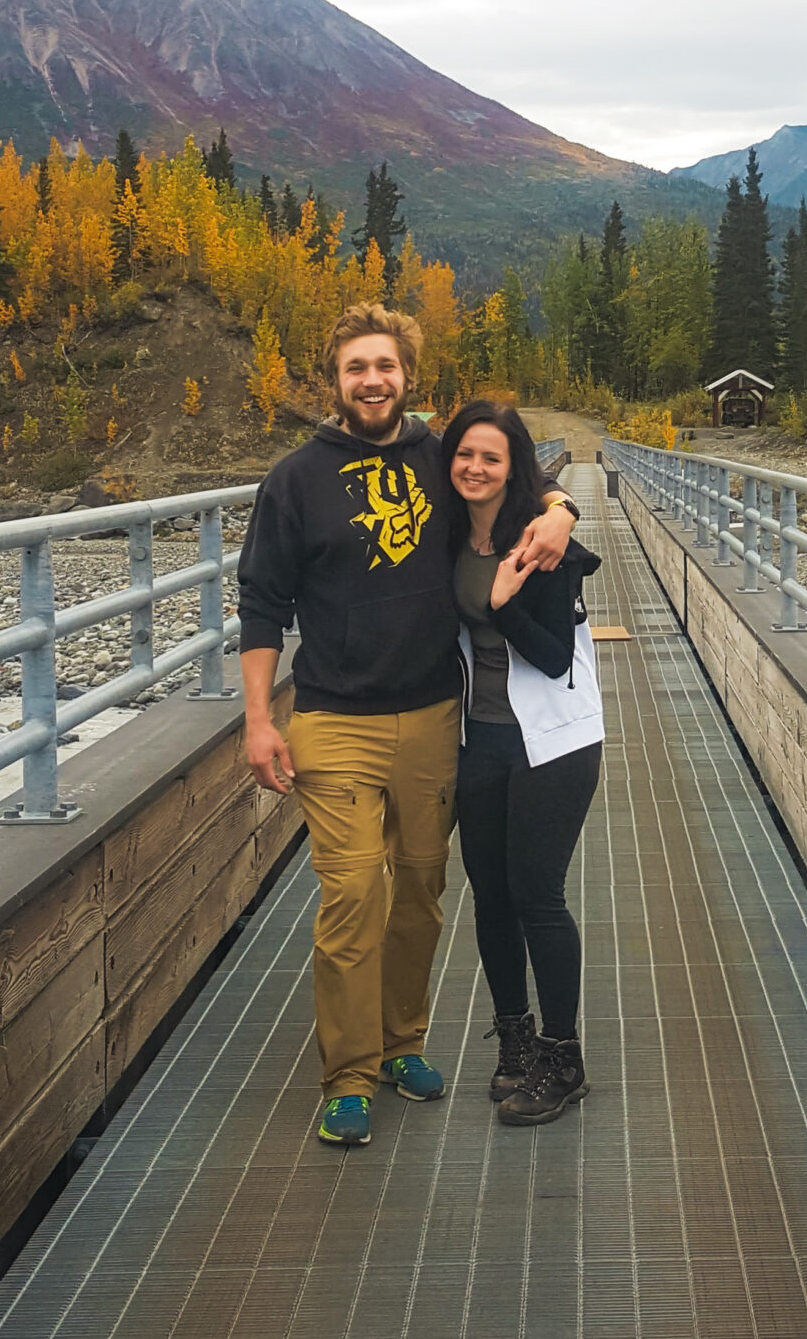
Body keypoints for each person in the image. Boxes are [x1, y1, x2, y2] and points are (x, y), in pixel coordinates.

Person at [237, 304, 575, 1147]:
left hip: (432, 715)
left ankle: (402, 1043)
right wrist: (256, 719)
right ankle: (347, 1075)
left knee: (421, 889)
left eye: (384, 365)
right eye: (356, 367)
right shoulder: (294, 480)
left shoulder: (437, 458)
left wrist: (563, 509)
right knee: (353, 894)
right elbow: (260, 604)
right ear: (335, 379)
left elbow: (517, 474)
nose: (372, 380)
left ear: (407, 375)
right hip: (332, 717)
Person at [439, 400, 604, 1125]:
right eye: (464, 454)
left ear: (516, 468)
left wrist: (505, 605)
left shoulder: (545, 544)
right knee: (490, 894)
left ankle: (562, 1056)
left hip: (555, 740)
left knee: (538, 893)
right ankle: (514, 1041)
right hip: (481, 740)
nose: (475, 468)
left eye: (492, 457)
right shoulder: (445, 535)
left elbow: (554, 653)